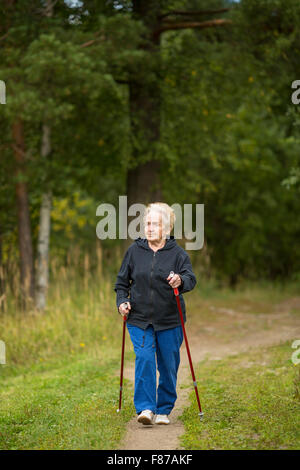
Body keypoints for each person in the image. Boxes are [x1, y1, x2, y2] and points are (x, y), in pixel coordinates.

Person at [114, 202, 197, 425]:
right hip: (139, 319)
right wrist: (122, 302)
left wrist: (180, 280)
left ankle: (164, 409)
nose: (149, 228)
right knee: (144, 359)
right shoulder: (134, 252)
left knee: (168, 365)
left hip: (170, 319)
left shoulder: (178, 255)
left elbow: (191, 279)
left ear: (167, 229)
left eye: (155, 224)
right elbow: (122, 284)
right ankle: (146, 408)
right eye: (147, 224)